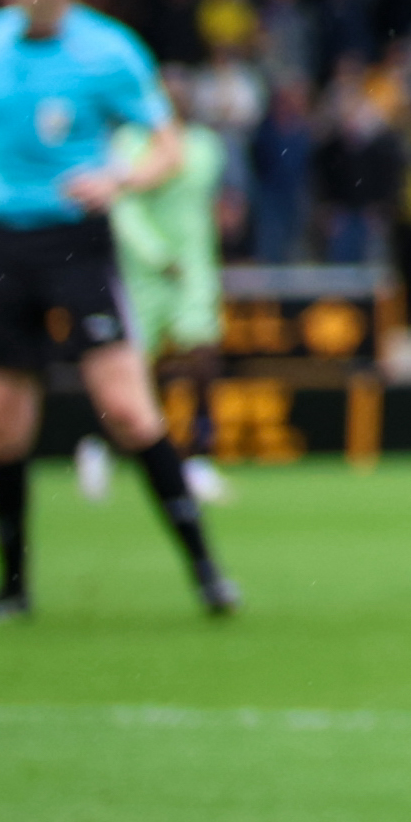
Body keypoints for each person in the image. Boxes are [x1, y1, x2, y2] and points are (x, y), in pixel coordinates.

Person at [0, 0, 239, 622]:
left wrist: (120, 181)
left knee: (124, 404)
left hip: (77, 241)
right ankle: (11, 587)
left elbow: (166, 147)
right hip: (1, 242)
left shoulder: (110, 53)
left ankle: (206, 568)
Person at [88, 69, 241, 507]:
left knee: (203, 359)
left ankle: (197, 456)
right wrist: (156, 255)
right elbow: (124, 209)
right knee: (134, 374)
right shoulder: (129, 146)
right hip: (144, 273)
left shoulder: (205, 146)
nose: (179, 104)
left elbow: (199, 198)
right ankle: (103, 447)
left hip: (193, 270)